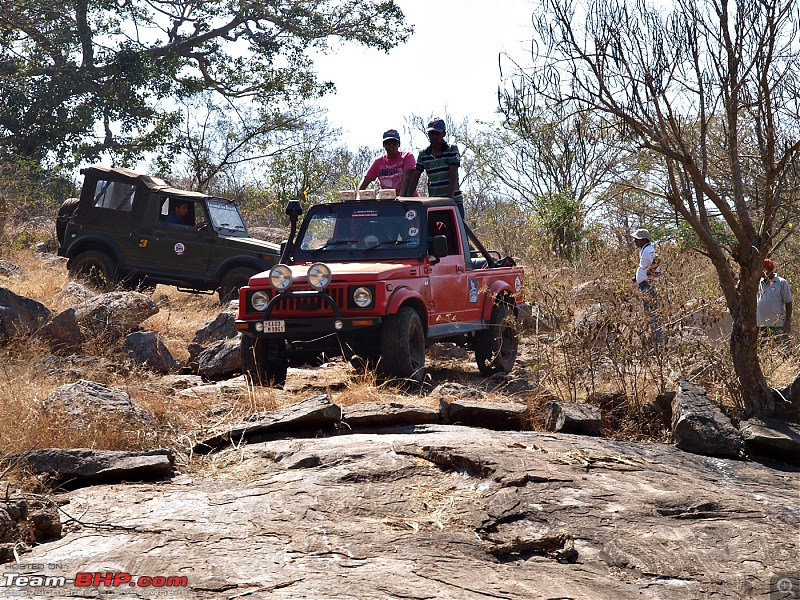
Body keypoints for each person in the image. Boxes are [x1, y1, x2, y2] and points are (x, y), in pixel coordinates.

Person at [406, 117, 464, 216]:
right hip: (434, 202)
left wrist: (448, 200)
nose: (434, 136)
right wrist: (406, 199)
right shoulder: (423, 154)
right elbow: (415, 177)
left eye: (437, 133)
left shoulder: (451, 149)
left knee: (457, 229)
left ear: (444, 134)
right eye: (432, 133)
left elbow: (453, 175)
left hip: (453, 201)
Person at [358, 129, 417, 197]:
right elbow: (365, 181)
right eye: (388, 143)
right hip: (388, 202)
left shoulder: (407, 156)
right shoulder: (378, 162)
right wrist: (357, 198)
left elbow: (407, 179)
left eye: (394, 143)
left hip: (408, 201)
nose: (391, 145)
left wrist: (400, 199)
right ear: (383, 145)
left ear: (399, 144)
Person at [631, 228, 663, 346]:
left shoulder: (649, 249)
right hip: (644, 285)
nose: (635, 241)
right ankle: (653, 340)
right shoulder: (644, 250)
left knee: (652, 314)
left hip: (648, 286)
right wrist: (637, 276)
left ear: (643, 240)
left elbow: (657, 260)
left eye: (637, 239)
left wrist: (649, 275)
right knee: (648, 313)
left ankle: (657, 342)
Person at [757, 258, 792, 346]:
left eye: (765, 269)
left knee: (781, 350)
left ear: (771, 270)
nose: (763, 272)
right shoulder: (757, 283)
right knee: (762, 353)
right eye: (761, 270)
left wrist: (788, 321)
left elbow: (788, 302)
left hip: (778, 325)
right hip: (761, 325)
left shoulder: (781, 282)